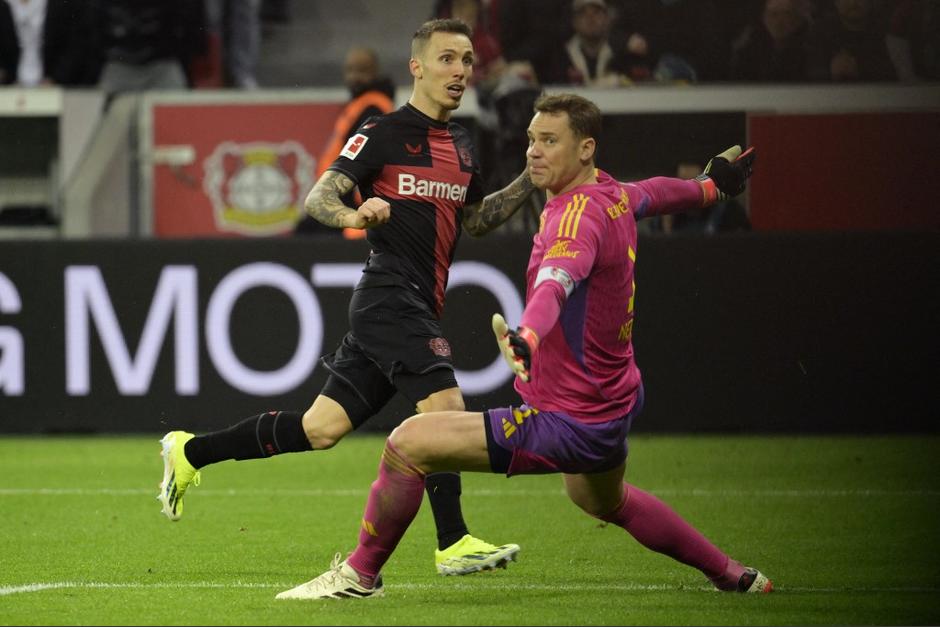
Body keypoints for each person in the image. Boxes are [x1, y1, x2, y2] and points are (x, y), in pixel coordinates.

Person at [273, 92, 773, 600]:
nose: (534, 151)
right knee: (604, 501)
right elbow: (655, 193)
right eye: (532, 139)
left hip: (568, 419)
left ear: (585, 149)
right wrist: (710, 188)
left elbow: (558, 280)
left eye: (550, 141)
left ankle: (358, 577)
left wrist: (528, 336)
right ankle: (734, 574)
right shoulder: (609, 193)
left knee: (409, 443)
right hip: (612, 404)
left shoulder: (573, 219)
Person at [158, 18, 538, 577]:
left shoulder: (461, 143)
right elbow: (320, 197)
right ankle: (453, 540)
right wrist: (356, 213)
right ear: (417, 67)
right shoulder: (382, 132)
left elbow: (475, 219)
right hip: (389, 296)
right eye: (446, 59)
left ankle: (190, 452)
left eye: (465, 61)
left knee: (321, 429)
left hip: (411, 304)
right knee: (445, 412)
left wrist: (530, 179)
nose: (459, 71)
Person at [294, 46, 396, 238]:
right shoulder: (362, 104)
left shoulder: (373, 107)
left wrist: (352, 209)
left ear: (374, 72)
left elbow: (359, 161)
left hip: (346, 201)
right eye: (350, 70)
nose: (354, 77)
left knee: (305, 235)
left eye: (361, 71)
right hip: (337, 196)